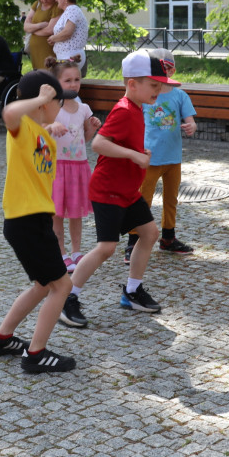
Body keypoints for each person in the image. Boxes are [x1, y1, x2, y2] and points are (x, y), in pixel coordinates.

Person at [59, 50, 179, 328]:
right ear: (132, 84)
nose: (159, 90)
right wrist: (134, 156)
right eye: (153, 85)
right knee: (106, 248)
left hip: (127, 191)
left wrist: (136, 151)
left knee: (149, 233)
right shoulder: (125, 109)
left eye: (160, 85)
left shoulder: (137, 108)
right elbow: (99, 144)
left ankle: (132, 291)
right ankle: (68, 297)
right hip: (108, 190)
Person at [0, 70, 76, 374]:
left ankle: (1, 338)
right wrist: (41, 98)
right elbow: (10, 111)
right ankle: (36, 354)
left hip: (31, 221)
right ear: (44, 102)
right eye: (57, 103)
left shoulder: (38, 131)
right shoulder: (21, 125)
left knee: (41, 284)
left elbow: (38, 137)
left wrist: (51, 126)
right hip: (27, 221)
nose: (60, 108)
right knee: (62, 285)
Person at [124, 48, 197, 263]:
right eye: (160, 68)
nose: (165, 73)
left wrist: (191, 125)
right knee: (142, 200)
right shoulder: (146, 95)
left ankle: (168, 238)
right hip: (149, 158)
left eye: (168, 68)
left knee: (170, 199)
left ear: (173, 70)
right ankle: (133, 241)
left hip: (173, 158)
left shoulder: (180, 95)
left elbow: (190, 119)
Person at [45, 58, 100, 273]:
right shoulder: (52, 109)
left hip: (78, 166)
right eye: (68, 80)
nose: (74, 84)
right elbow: (39, 129)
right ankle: (61, 251)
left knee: (76, 212)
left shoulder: (84, 108)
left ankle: (77, 251)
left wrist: (92, 128)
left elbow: (84, 138)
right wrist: (51, 125)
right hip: (58, 167)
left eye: (77, 79)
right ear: (56, 82)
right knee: (57, 212)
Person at [47, 0, 89, 75]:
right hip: (67, 55)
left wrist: (53, 38)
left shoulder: (72, 9)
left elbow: (67, 32)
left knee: (64, 86)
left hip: (70, 56)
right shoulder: (70, 11)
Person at [23, 0, 62, 70]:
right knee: (37, 75)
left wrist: (32, 29)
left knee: (49, 72)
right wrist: (40, 25)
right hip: (35, 49)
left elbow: (50, 30)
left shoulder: (57, 7)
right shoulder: (37, 4)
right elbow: (26, 26)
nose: (44, 0)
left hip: (48, 48)